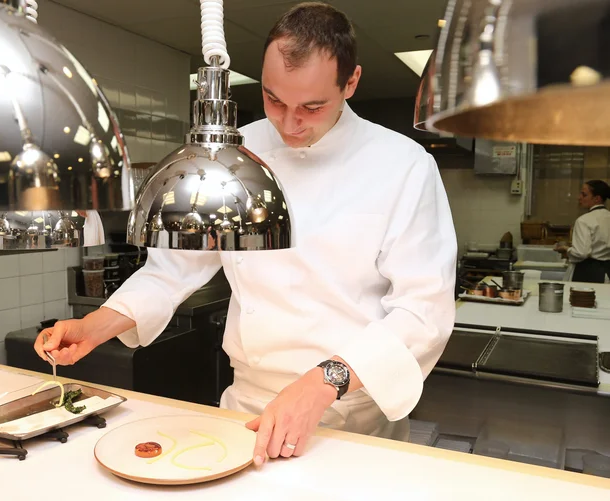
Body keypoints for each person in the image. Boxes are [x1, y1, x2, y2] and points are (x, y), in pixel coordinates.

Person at [34, 2, 457, 465]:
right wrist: (94, 327)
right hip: (247, 405)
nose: (290, 123)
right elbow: (173, 269)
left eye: (312, 106)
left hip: (349, 415)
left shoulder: (402, 165)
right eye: (275, 100)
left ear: (351, 82)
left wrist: (322, 383)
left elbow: (423, 312)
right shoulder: (236, 152)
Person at [555, 180, 610, 283]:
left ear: (597, 198)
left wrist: (566, 249)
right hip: (607, 272)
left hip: (588, 273)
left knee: (583, 299)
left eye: (584, 194)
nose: (579, 197)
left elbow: (582, 253)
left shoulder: (584, 220)